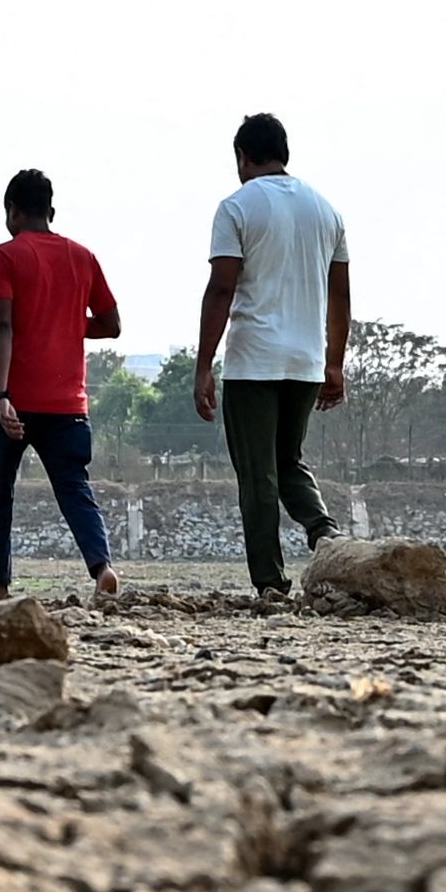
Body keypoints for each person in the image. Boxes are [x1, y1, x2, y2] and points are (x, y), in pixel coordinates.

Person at [191, 111, 348, 599]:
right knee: (288, 459)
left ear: (243, 156)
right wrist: (335, 361)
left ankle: (270, 582)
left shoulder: (237, 207)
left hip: (254, 360)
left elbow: (222, 288)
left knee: (257, 473)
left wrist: (203, 366)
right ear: (284, 154)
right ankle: (324, 531)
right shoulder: (326, 210)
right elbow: (340, 294)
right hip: (305, 361)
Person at [0, 167, 123, 605]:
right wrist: (66, 323)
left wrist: (2, 396)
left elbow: (1, 323)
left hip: (18, 401)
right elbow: (112, 325)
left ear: (13, 212)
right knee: (75, 487)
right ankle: (102, 568)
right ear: (51, 211)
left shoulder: (5, 256)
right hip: (67, 403)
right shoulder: (83, 257)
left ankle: (1, 588)